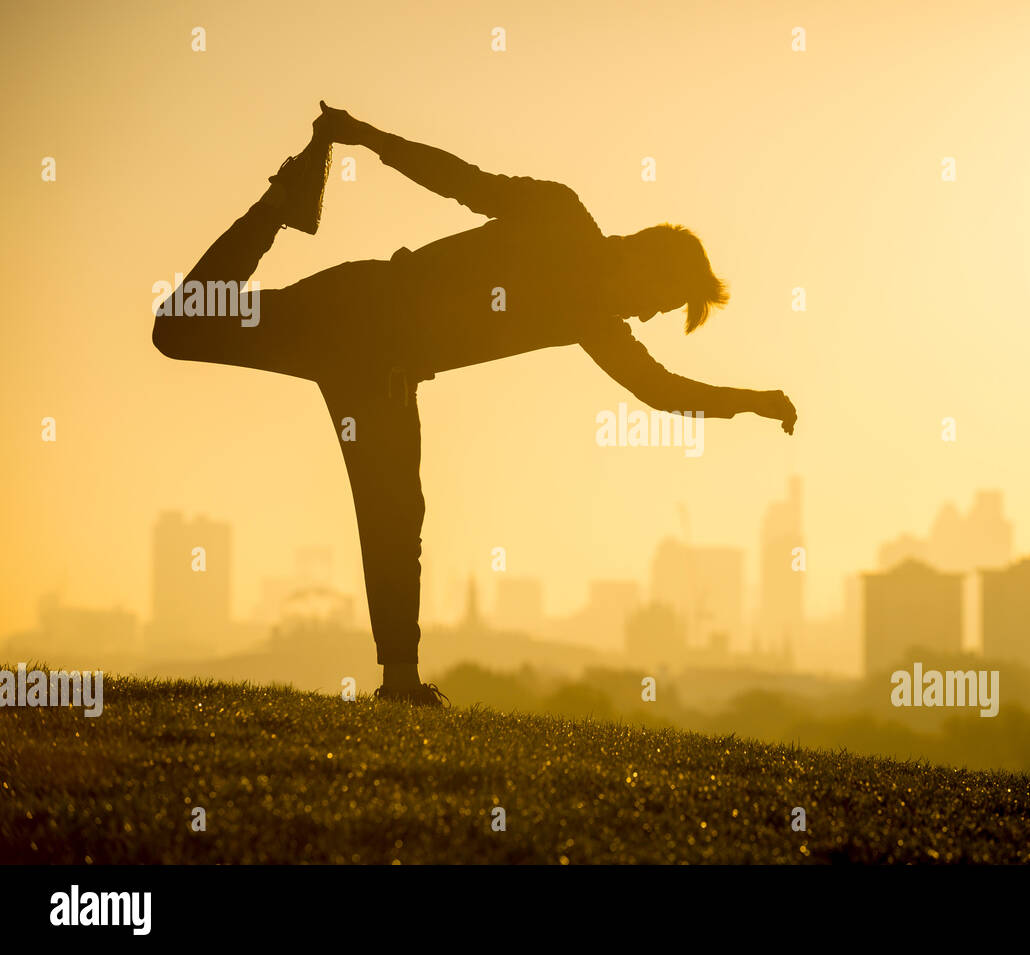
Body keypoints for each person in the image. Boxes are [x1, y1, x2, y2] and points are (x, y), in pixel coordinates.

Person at [153, 102, 798, 705]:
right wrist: (369, 138)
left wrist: (754, 402)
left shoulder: (593, 319)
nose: (653, 314)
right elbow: (460, 179)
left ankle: (400, 682)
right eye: (662, 299)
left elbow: (657, 391)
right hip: (354, 312)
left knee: (399, 507)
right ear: (645, 260)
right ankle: (281, 201)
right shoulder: (560, 215)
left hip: (387, 373)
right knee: (179, 328)